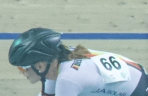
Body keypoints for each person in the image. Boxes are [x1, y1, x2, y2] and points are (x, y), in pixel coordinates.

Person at [9, 27, 146, 96]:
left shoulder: (67, 79)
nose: (22, 73)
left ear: (40, 65)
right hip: (137, 78)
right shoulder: (57, 62)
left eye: (22, 68)